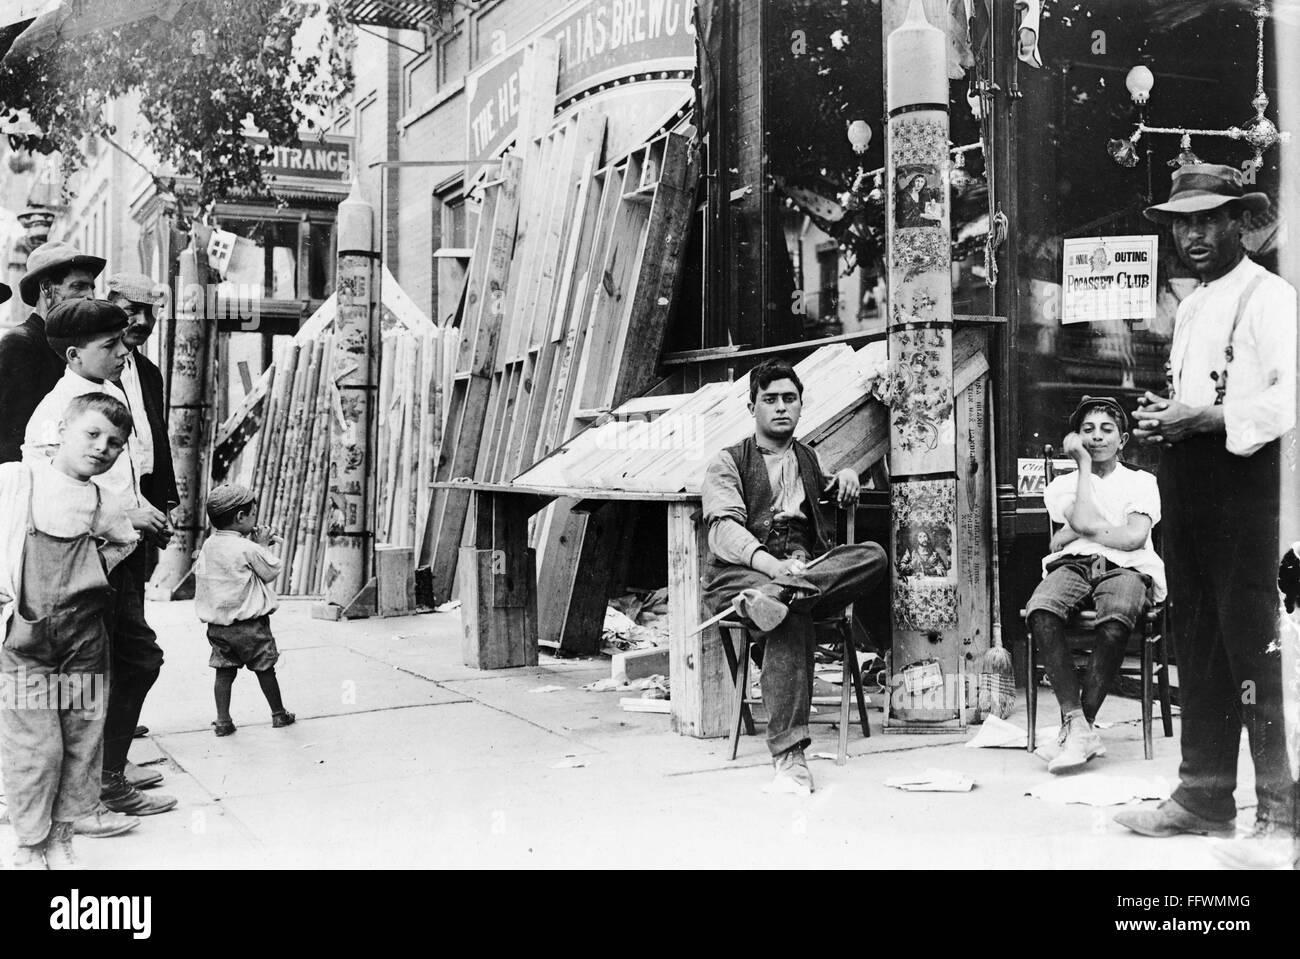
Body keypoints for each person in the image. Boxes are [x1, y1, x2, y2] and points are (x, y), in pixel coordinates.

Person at [1112, 164, 1298, 869]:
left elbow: (1289, 397)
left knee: (1255, 642)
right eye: (1181, 222)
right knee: (1198, 637)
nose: (1191, 234)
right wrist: (1167, 420)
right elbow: (1192, 397)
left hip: (1247, 483)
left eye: (1207, 219)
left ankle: (1282, 813)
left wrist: (1209, 416)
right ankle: (1203, 794)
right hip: (1189, 480)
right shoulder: (1190, 306)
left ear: (1236, 222)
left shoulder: (1270, 297)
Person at [701, 358, 887, 792]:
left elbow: (823, 489)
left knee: (872, 555)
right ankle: (789, 756)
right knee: (786, 613)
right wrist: (772, 566)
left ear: (801, 405)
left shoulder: (807, 457)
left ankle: (784, 596)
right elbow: (724, 531)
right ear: (752, 408)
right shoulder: (727, 462)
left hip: (806, 570)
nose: (781, 407)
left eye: (790, 398)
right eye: (770, 400)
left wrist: (844, 476)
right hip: (745, 574)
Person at [22, 299, 177, 819]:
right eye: (109, 345)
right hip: (81, 566)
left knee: (121, 663)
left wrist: (141, 510)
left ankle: (107, 772)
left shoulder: (107, 395)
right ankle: (98, 783)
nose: (122, 351)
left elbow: (120, 478)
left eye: (123, 341)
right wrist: (126, 515)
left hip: (118, 559)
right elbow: (53, 500)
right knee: (125, 663)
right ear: (73, 354)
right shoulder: (56, 414)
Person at [0, 394, 140, 868]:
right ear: (62, 429)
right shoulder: (19, 480)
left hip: (83, 642)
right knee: (35, 748)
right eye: (93, 434)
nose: (103, 447)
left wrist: (95, 565)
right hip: (24, 640)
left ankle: (61, 838)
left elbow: (124, 538)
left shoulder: (104, 501)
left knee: (82, 742)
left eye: (116, 443)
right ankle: (29, 844)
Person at [1025, 396, 1165, 774]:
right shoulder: (1061, 485)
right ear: (1077, 438)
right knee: (1041, 611)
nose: (1097, 437)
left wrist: (1081, 530)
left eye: (1106, 430)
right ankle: (1077, 724)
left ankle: (1078, 728)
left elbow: (1135, 538)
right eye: (1087, 430)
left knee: (1118, 616)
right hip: (1073, 565)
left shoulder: (1142, 481)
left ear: (1123, 440)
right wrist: (1084, 470)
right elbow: (1087, 519)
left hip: (1127, 567)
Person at [195, 485, 295, 736]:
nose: (255, 520)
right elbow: (269, 572)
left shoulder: (208, 545)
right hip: (251, 625)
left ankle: (223, 721)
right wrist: (261, 544)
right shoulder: (246, 548)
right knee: (265, 668)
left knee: (224, 672)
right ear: (240, 517)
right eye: (252, 515)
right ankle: (278, 714)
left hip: (218, 625)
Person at [0, 241, 103, 464]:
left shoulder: (69, 347)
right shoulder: (21, 344)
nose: (90, 296)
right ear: (46, 288)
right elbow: (12, 439)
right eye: (78, 286)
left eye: (91, 287)